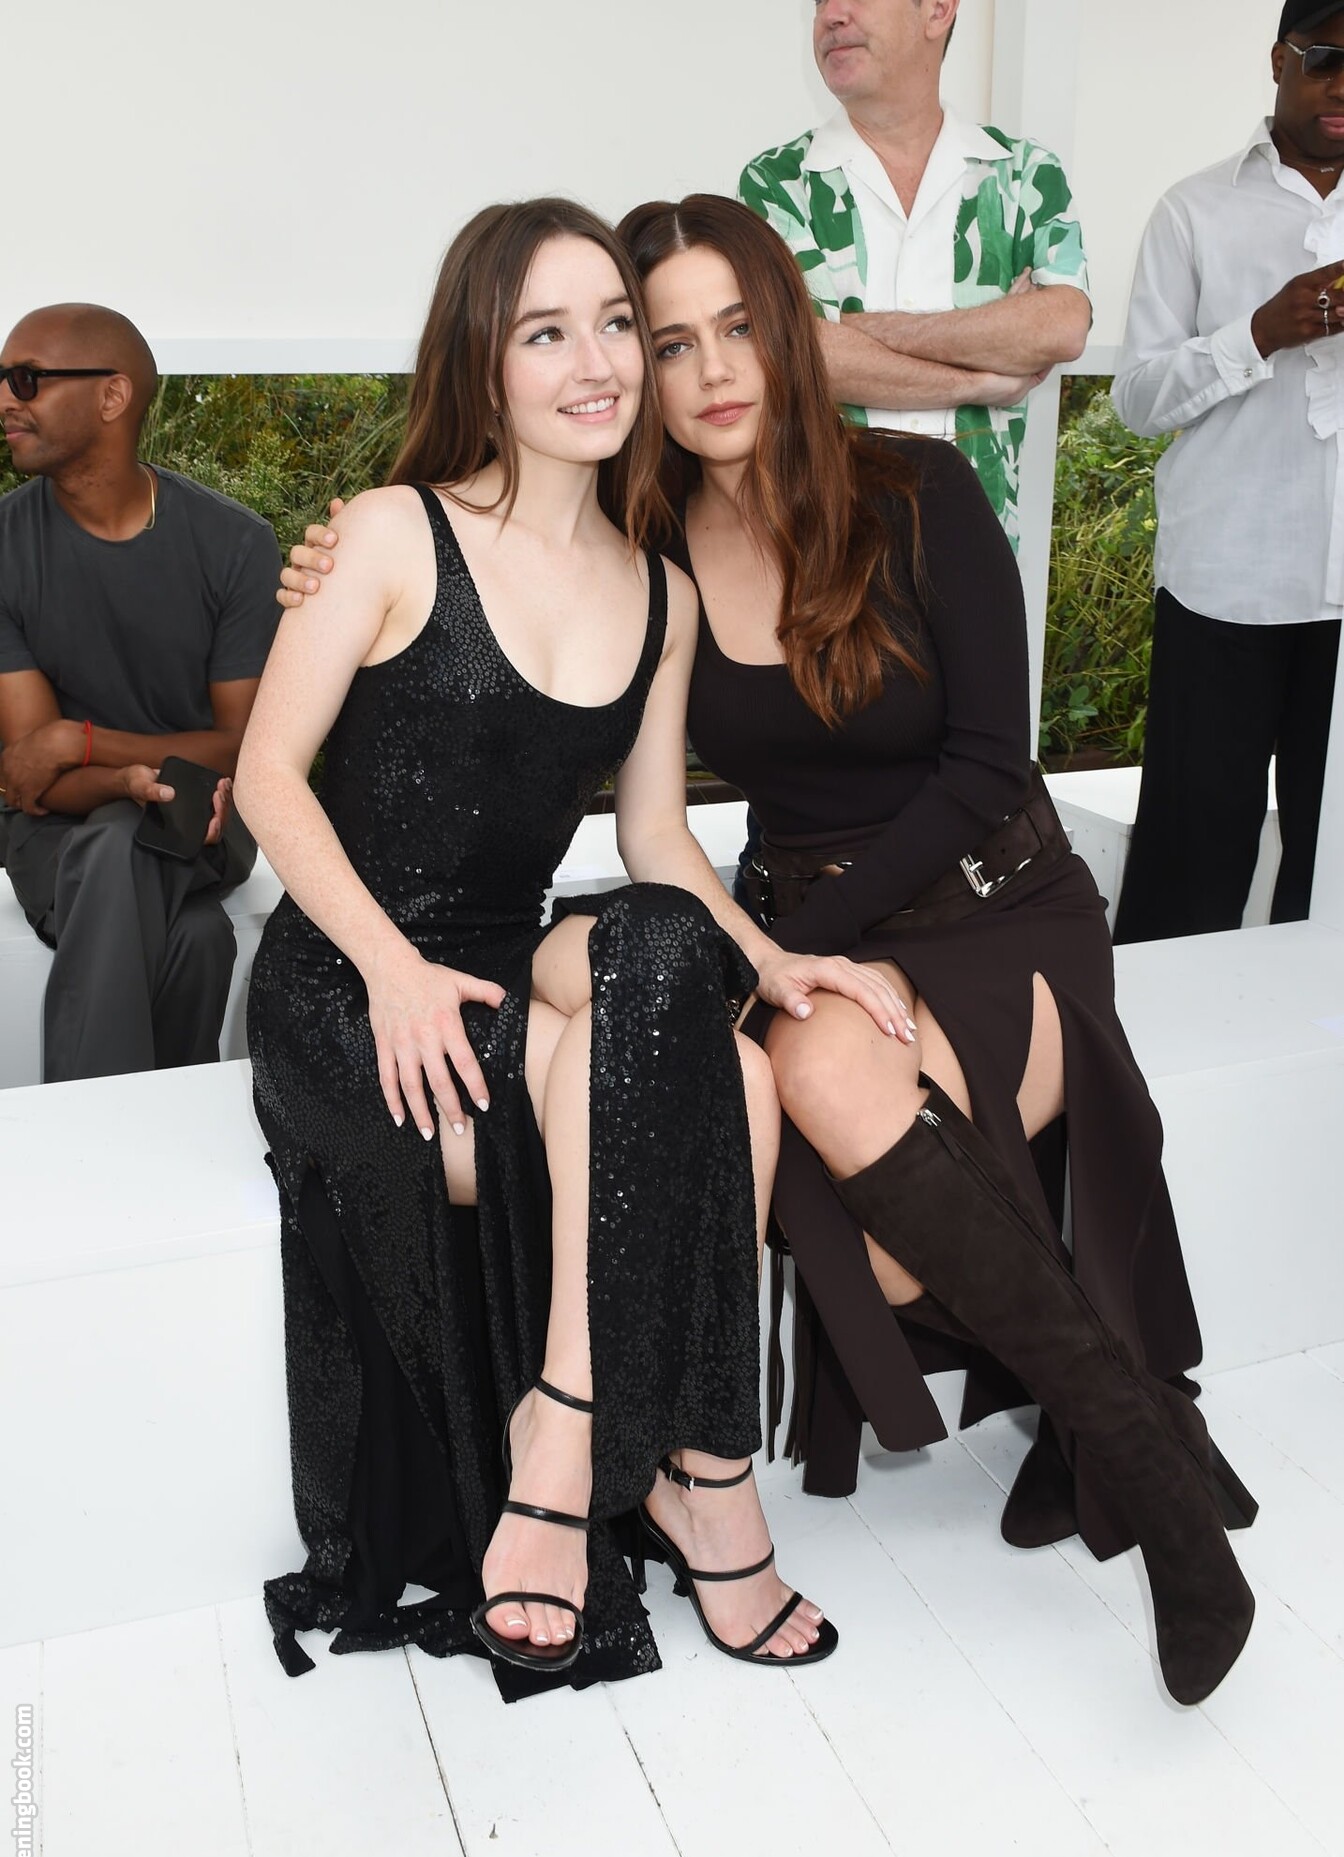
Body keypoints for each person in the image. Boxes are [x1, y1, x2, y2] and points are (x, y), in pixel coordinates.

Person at [283, 196, 1257, 1706]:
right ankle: (732, 1468)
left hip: (989, 903)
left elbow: (986, 767)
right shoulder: (645, 546)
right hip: (781, 927)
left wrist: (782, 956)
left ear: (794, 330)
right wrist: (775, 955)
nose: (703, 369)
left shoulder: (916, 493)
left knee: (791, 1068)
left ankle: (1142, 1467)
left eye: (730, 326)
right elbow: (625, 814)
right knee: (773, 1114)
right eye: (667, 341)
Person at [238, 199, 917, 1694]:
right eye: (547, 332)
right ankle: (702, 1486)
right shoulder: (390, 531)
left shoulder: (660, 592)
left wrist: (775, 963)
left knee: (683, 963)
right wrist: (391, 971)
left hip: (506, 954)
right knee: (730, 1092)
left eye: (616, 323)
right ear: (483, 359)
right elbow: (268, 779)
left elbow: (659, 839)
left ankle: (575, 1426)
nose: (598, 362)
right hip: (350, 978)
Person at [1112, 1, 1344, 943]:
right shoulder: (1194, 209)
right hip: (1227, 585)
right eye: (1327, 58)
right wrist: (1258, 332)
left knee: (1336, 871)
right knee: (1192, 861)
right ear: (1280, 59)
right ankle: (1154, 1029)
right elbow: (1136, 400)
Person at [0, 304, 278, 1081]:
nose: (5, 400)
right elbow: (34, 782)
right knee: (196, 936)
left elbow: (243, 749)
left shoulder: (235, 545)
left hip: (201, 818)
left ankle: (83, 1131)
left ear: (112, 396)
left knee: (127, 840)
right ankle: (149, 1137)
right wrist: (116, 777)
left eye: (26, 379)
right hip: (57, 834)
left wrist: (80, 740)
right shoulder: (5, 547)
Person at [738, 0, 1091, 546]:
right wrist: (982, 378)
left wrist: (858, 330)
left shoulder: (1023, 174)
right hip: (830, 547)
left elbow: (1062, 326)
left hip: (984, 546)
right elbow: (800, 355)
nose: (832, 14)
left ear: (938, 10)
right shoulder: (776, 183)